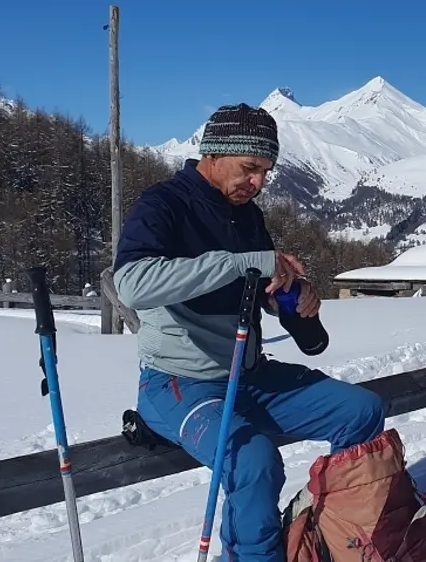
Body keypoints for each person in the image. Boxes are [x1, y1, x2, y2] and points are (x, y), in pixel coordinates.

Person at [113, 103, 387, 561]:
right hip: (180, 382)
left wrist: (292, 297)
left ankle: (329, 536)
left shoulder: (247, 215)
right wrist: (248, 264)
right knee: (253, 461)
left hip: (249, 373)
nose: (258, 183)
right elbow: (133, 284)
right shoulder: (164, 204)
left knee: (361, 412)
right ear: (214, 154)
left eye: (266, 172)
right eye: (250, 168)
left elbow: (256, 287)